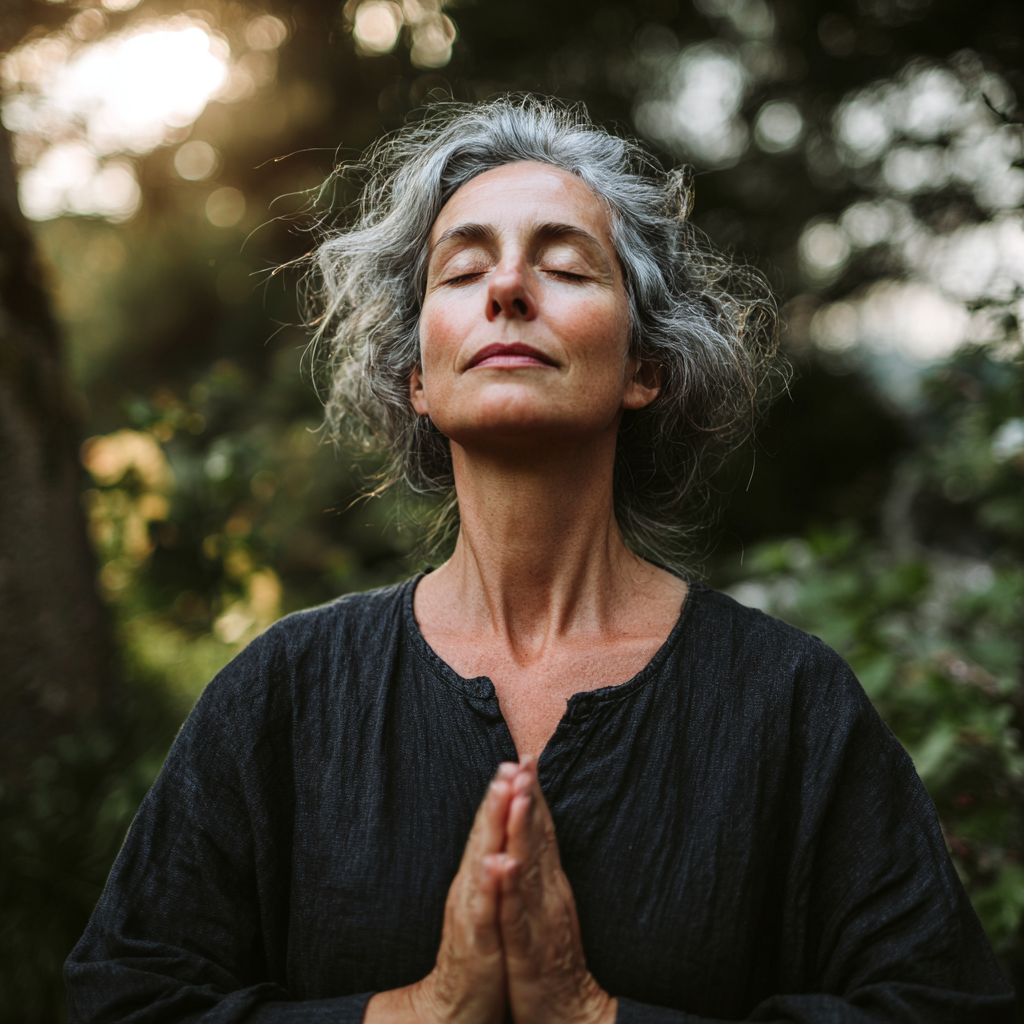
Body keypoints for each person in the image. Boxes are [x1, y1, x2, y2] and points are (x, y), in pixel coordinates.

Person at [65, 97, 1014, 1024]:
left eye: (564, 265)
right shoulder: (284, 693)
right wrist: (421, 1012)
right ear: (418, 380)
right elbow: (126, 996)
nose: (508, 289)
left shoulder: (791, 705)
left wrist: (589, 1013)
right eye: (462, 267)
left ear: (646, 367)